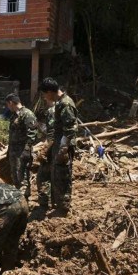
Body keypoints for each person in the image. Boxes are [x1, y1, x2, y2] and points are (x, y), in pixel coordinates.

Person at [39, 77, 78, 216]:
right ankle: (59, 205)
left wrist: (63, 148)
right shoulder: (60, 103)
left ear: (50, 92)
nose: (44, 97)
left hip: (64, 146)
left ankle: (63, 208)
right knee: (57, 175)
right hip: (59, 144)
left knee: (63, 176)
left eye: (44, 94)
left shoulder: (65, 104)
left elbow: (70, 128)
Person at [5, 93, 38, 198]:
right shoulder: (14, 115)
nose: (7, 107)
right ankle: (20, 197)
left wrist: (27, 150)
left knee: (22, 176)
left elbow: (32, 133)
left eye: (7, 105)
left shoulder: (27, 114)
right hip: (14, 151)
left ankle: (23, 199)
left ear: (11, 103)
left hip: (22, 151)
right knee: (15, 176)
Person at [36, 98, 55, 210]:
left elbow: (51, 136)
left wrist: (43, 152)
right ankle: (54, 203)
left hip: (51, 152)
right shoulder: (58, 111)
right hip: (55, 151)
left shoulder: (52, 112)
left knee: (42, 178)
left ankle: (44, 204)